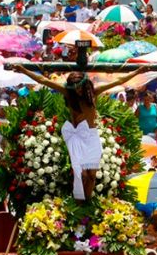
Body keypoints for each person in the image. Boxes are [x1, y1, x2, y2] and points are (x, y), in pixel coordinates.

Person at [11, 65, 149, 201]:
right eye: (74, 88)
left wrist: (137, 71)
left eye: (79, 87)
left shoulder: (94, 93)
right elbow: (44, 81)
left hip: (92, 136)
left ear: (85, 85)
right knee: (81, 175)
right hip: (77, 137)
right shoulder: (68, 94)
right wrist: (23, 70)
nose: (77, 90)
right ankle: (78, 201)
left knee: (92, 176)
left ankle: (86, 203)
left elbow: (119, 81)